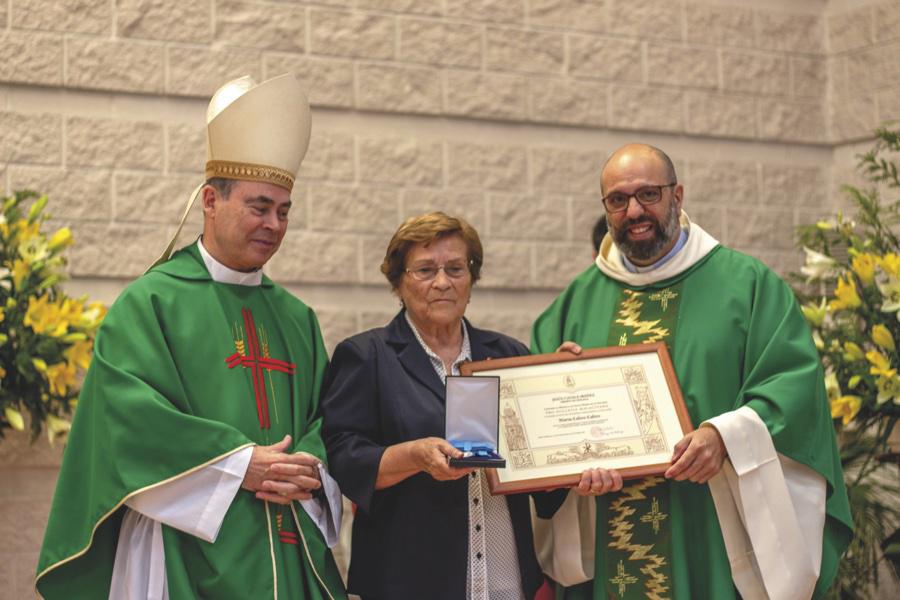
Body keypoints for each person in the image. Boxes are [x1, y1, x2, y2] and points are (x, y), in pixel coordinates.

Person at [36, 73, 346, 600]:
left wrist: (308, 467)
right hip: (181, 543)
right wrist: (239, 465)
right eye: (258, 206)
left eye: (284, 210)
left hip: (286, 542)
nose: (273, 223)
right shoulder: (150, 303)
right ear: (210, 200)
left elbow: (328, 417)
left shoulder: (297, 317)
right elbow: (125, 422)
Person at [531, 143, 852, 599]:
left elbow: (793, 389)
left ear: (677, 195)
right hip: (609, 525)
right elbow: (541, 424)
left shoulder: (748, 286)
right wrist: (559, 409)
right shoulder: (573, 304)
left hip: (709, 524)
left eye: (648, 194)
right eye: (617, 200)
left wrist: (724, 436)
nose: (634, 210)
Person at [320, 212, 544, 599]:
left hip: (504, 580)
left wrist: (568, 391)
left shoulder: (508, 355)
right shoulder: (367, 356)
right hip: (409, 580)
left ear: (471, 279)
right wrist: (413, 455)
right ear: (399, 282)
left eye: (455, 268)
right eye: (425, 270)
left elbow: (538, 455)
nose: (442, 282)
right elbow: (341, 458)